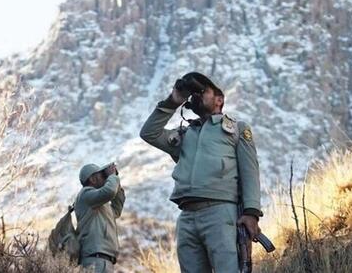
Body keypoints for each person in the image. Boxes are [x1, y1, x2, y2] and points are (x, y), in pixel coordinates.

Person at [140, 72, 262, 273]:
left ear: (219, 100)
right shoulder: (185, 134)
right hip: (187, 216)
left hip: (221, 212)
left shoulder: (236, 130)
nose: (197, 95)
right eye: (194, 93)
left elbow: (250, 172)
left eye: (203, 91)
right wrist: (173, 101)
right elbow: (149, 133)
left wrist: (251, 213)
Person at [75, 163, 125, 273]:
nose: (105, 177)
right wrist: (112, 177)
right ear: (92, 179)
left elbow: (117, 209)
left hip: (104, 261)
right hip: (95, 260)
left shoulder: (100, 204)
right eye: (102, 175)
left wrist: (116, 180)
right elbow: (109, 192)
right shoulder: (85, 195)